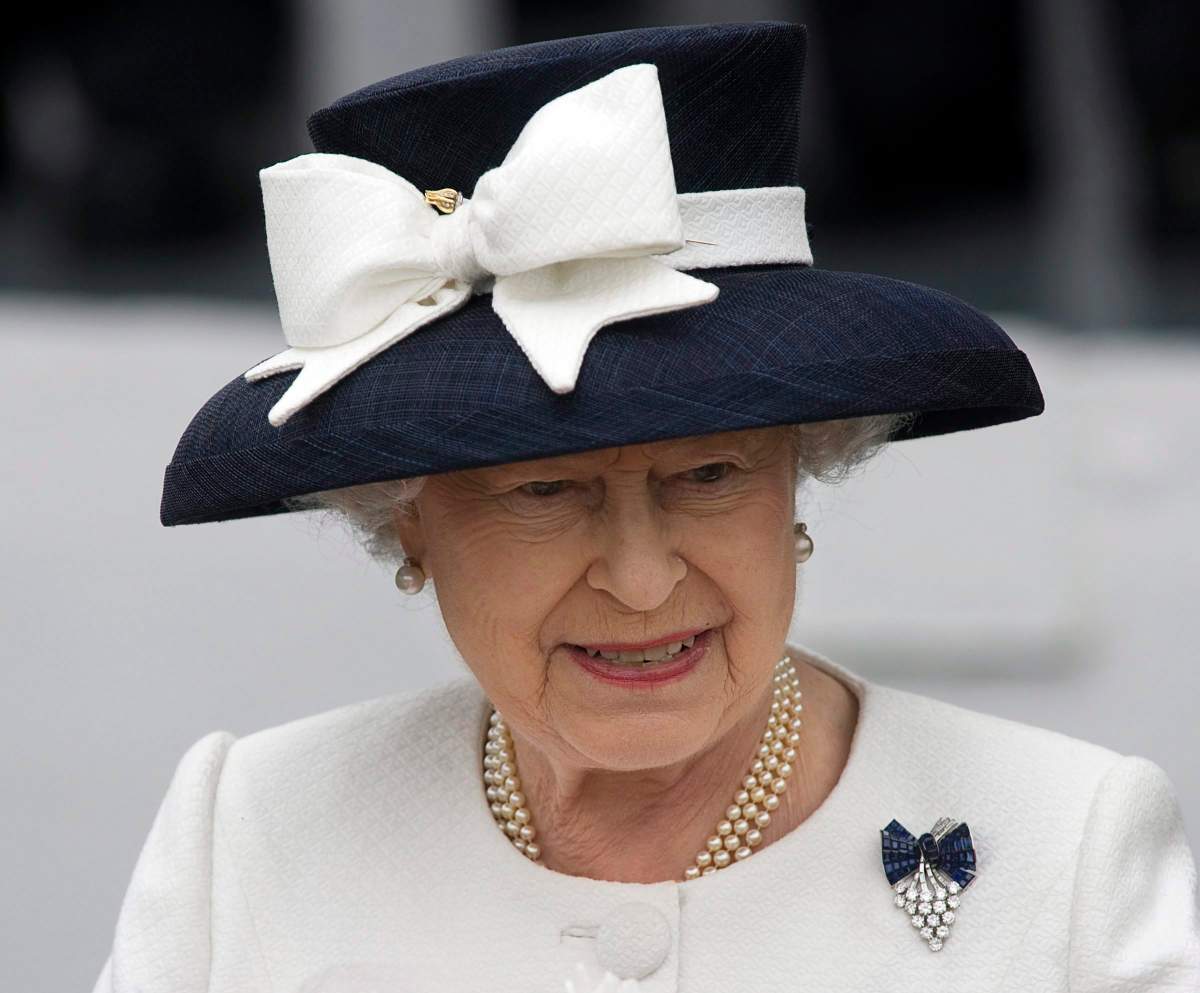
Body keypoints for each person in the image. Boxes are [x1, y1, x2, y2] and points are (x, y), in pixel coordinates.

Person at [92, 20, 1200, 993]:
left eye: (710, 476)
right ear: (408, 521)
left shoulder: (1068, 851)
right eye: (544, 491)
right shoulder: (248, 832)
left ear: (799, 475)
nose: (641, 577)